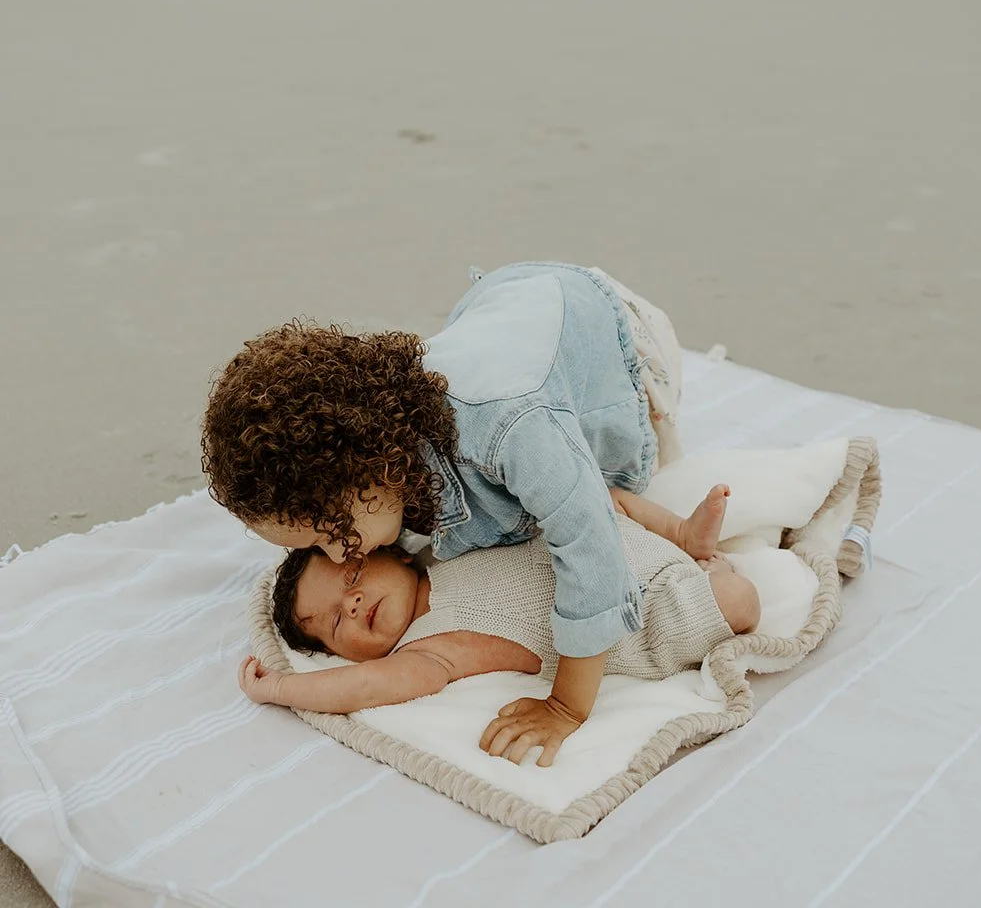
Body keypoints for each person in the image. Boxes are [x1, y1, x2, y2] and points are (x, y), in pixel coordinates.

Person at [203, 260, 693, 762]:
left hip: (616, 334)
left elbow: (594, 553)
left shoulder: (510, 428)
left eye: (330, 535)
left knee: (582, 493)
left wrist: (566, 707)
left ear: (368, 464)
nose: (335, 554)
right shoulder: (387, 461)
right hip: (505, 310)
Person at [239, 483, 760, 767]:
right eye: (333, 624)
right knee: (739, 603)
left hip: (607, 540)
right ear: (344, 656)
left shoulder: (441, 546)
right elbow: (370, 686)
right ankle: (709, 571)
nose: (351, 605)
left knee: (597, 490)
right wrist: (286, 687)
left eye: (351, 576)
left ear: (392, 553)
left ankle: (682, 533)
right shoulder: (429, 649)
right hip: (639, 615)